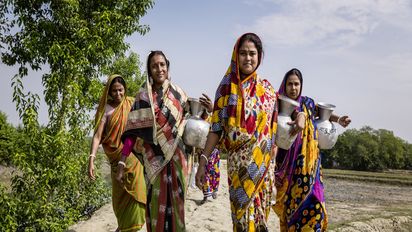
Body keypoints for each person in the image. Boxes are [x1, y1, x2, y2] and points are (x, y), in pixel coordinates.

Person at [195, 33, 305, 231]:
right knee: (242, 222)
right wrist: (202, 162)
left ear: (259, 56)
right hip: (239, 169)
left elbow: (289, 114)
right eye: (243, 53)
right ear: (236, 56)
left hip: (263, 170)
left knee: (260, 223)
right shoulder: (226, 88)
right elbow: (216, 128)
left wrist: (301, 117)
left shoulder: (268, 91)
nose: (248, 58)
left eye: (252, 53)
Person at [116, 51, 210, 232]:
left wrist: (207, 111)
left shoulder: (179, 94)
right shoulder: (143, 97)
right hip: (153, 161)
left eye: (162, 65)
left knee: (178, 204)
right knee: (155, 203)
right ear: (149, 70)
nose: (159, 69)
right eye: (154, 66)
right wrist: (122, 161)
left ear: (167, 67)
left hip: (178, 158)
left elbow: (192, 122)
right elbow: (131, 133)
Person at [273, 68, 351, 232]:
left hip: (311, 165)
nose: (293, 88)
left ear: (301, 85)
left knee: (315, 203)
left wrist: (339, 119)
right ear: (284, 85)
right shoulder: (278, 103)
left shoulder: (308, 102)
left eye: (296, 84)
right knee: (290, 207)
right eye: (290, 84)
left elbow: (324, 114)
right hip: (289, 167)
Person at [88, 74, 146, 232]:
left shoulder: (132, 103)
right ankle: (123, 227)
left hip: (133, 158)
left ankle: (130, 228)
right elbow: (98, 136)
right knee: (120, 199)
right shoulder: (106, 109)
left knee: (137, 195)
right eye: (114, 91)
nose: (118, 94)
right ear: (109, 92)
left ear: (125, 89)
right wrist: (91, 158)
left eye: (120, 90)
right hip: (115, 160)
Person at [198, 94, 221, 204]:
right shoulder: (201, 120)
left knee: (214, 172)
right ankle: (206, 195)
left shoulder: (214, 117)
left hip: (215, 151)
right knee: (205, 172)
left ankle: (214, 190)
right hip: (203, 151)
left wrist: (213, 110)